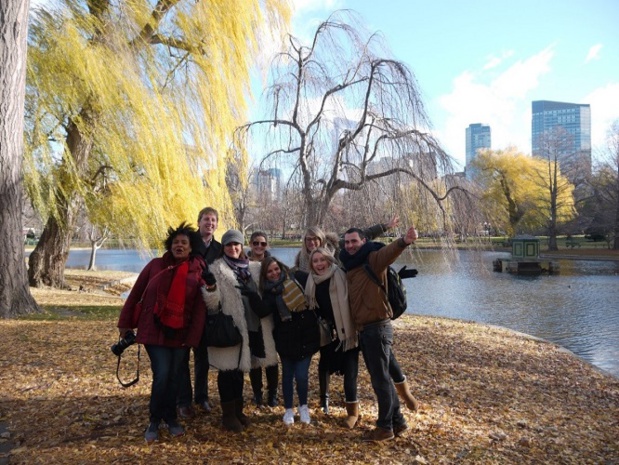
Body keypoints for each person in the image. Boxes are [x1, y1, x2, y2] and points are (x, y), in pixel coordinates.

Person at [117, 222, 207, 443]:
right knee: (162, 375)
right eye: (175, 242)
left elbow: (200, 309)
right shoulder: (156, 265)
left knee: (175, 377)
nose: (179, 246)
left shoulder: (197, 270)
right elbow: (136, 293)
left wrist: (193, 338)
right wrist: (125, 323)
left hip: (181, 334)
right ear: (170, 245)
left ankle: (171, 418)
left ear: (190, 247)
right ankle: (155, 420)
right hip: (154, 330)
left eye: (184, 243)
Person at [339, 224, 418, 442]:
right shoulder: (349, 262)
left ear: (363, 242)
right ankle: (397, 421)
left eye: (354, 241)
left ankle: (384, 427)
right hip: (368, 330)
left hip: (377, 328)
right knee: (382, 376)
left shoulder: (372, 259)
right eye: (347, 242)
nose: (350, 245)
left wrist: (404, 240)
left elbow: (389, 252)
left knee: (380, 380)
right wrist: (381, 226)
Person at [201, 229, 277, 433]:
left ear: (242, 246)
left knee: (241, 372)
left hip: (253, 327)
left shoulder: (254, 268)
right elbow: (212, 304)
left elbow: (270, 286)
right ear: (223, 247)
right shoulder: (216, 269)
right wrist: (210, 287)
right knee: (228, 372)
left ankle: (238, 410)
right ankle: (228, 416)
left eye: (236, 244)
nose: (233, 248)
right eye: (228, 245)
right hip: (230, 328)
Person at [304, 247, 361, 428]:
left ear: (329, 260)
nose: (319, 264)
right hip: (328, 333)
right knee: (326, 366)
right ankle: (324, 400)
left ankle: (352, 413)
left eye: (322, 260)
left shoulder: (341, 274)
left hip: (348, 331)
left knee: (350, 372)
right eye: (315, 261)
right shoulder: (311, 281)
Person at [259, 257, 320, 426]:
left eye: (276, 269)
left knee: (301, 376)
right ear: (265, 274)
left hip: (305, 335)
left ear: (281, 267)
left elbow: (315, 283)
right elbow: (263, 311)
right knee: (287, 376)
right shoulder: (268, 294)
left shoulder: (296, 278)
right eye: (269, 271)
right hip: (285, 339)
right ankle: (288, 409)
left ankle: (303, 406)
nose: (274, 273)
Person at [177, 207, 222, 418]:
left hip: (206, 307)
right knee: (182, 355)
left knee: (202, 356)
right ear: (199, 221)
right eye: (206, 219)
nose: (210, 223)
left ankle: (201, 397)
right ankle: (183, 400)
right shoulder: (187, 242)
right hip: (185, 304)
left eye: (213, 220)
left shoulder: (219, 248)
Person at [294, 216, 400, 272]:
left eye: (315, 239)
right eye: (308, 239)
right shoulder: (300, 258)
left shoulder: (335, 246)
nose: (312, 242)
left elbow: (364, 234)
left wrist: (385, 226)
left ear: (321, 239)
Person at [246, 231, 278, 407]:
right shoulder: (243, 264)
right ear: (250, 244)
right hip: (251, 314)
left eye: (263, 244)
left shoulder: (271, 264)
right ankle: (257, 393)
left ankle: (272, 393)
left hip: (270, 313)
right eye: (256, 243)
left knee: (271, 358)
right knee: (255, 358)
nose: (259, 246)